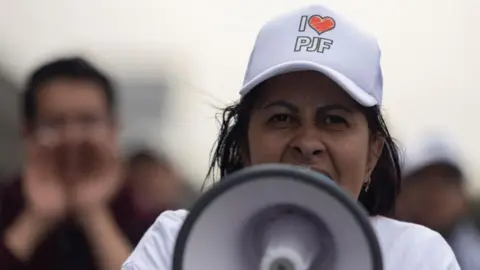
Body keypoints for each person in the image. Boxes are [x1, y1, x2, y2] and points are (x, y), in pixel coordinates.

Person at [122, 5, 460, 270]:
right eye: (282, 118)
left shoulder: (417, 257)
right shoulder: (177, 242)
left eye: (334, 120)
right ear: (244, 145)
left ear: (372, 154)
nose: (307, 142)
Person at [0, 57, 155, 270]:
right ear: (27, 133)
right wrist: (34, 221)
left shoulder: (154, 224)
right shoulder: (6, 207)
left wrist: (93, 214)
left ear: (113, 129)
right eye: (54, 122)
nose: (72, 137)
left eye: (88, 121)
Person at [395, 134, 480, 269]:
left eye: (447, 180)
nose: (435, 190)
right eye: (422, 179)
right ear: (401, 194)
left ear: (463, 199)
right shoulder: (378, 249)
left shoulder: (475, 259)